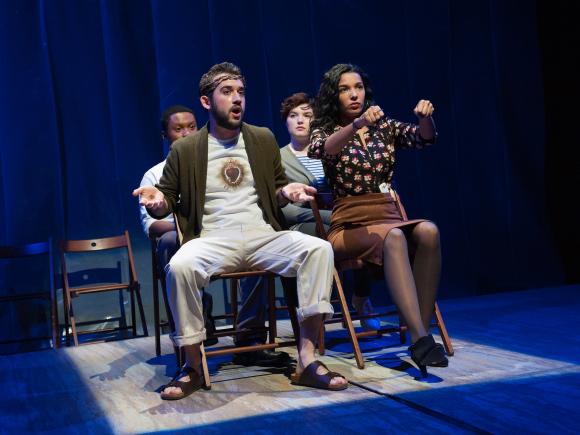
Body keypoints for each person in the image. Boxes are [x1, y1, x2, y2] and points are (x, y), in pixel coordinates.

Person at [133, 62, 348, 400]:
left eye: (241, 92)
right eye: (227, 92)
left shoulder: (261, 138)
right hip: (213, 238)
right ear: (207, 101)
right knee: (179, 266)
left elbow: (278, 187)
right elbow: (168, 200)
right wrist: (156, 202)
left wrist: (286, 191)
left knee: (318, 249)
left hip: (263, 234)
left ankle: (307, 360)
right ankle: (192, 366)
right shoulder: (185, 150)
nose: (237, 99)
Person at [308, 63, 448, 376]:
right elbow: (322, 149)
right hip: (348, 226)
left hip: (388, 214)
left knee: (428, 231)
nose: (353, 93)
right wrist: (356, 124)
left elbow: (424, 139)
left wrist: (426, 119)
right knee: (394, 237)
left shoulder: (382, 126)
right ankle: (421, 338)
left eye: (357, 87)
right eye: (344, 89)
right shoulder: (325, 127)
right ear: (334, 95)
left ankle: (419, 336)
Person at [279, 92, 379, 330]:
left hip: (341, 220)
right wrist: (329, 215)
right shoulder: (278, 157)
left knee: (367, 231)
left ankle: (361, 297)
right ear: (286, 122)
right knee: (321, 235)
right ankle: (313, 311)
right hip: (304, 226)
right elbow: (286, 210)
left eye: (307, 115)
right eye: (293, 116)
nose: (300, 120)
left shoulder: (330, 149)